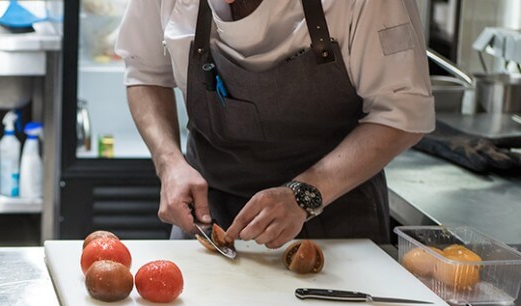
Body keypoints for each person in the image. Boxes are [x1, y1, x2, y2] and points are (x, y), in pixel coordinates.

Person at [117, 0, 434, 247]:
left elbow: (403, 113)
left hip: (338, 223)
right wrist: (169, 162)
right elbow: (145, 72)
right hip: (208, 222)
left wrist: (303, 195)